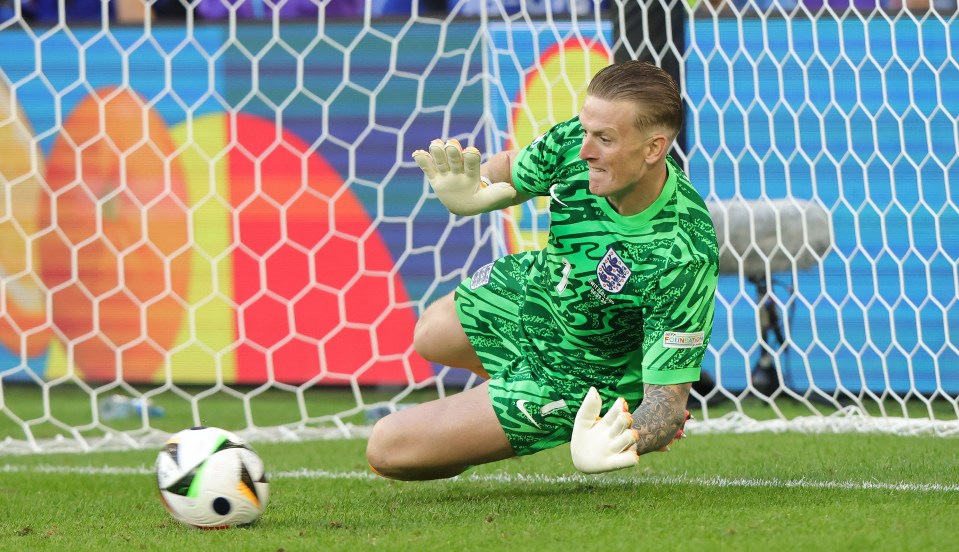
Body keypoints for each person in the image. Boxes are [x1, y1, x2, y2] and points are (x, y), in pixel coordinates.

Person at [365, 60, 720, 480]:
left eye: (603, 139)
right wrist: (474, 190)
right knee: (430, 334)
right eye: (586, 130)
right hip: (540, 288)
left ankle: (535, 413)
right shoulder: (581, 140)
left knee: (385, 449)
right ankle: (501, 410)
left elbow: (668, 403)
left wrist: (630, 435)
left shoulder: (683, 249)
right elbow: (513, 168)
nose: (584, 148)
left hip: (583, 374)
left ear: (653, 149)